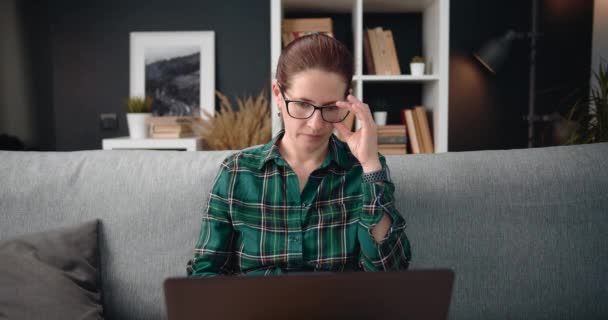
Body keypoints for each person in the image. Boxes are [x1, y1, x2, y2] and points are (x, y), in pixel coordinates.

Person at [187, 34, 411, 277]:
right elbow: (204, 274)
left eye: (330, 107)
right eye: (303, 104)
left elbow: (389, 274)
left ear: (348, 101)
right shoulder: (236, 172)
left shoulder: (366, 170)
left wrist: (369, 165)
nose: (315, 124)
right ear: (278, 95)